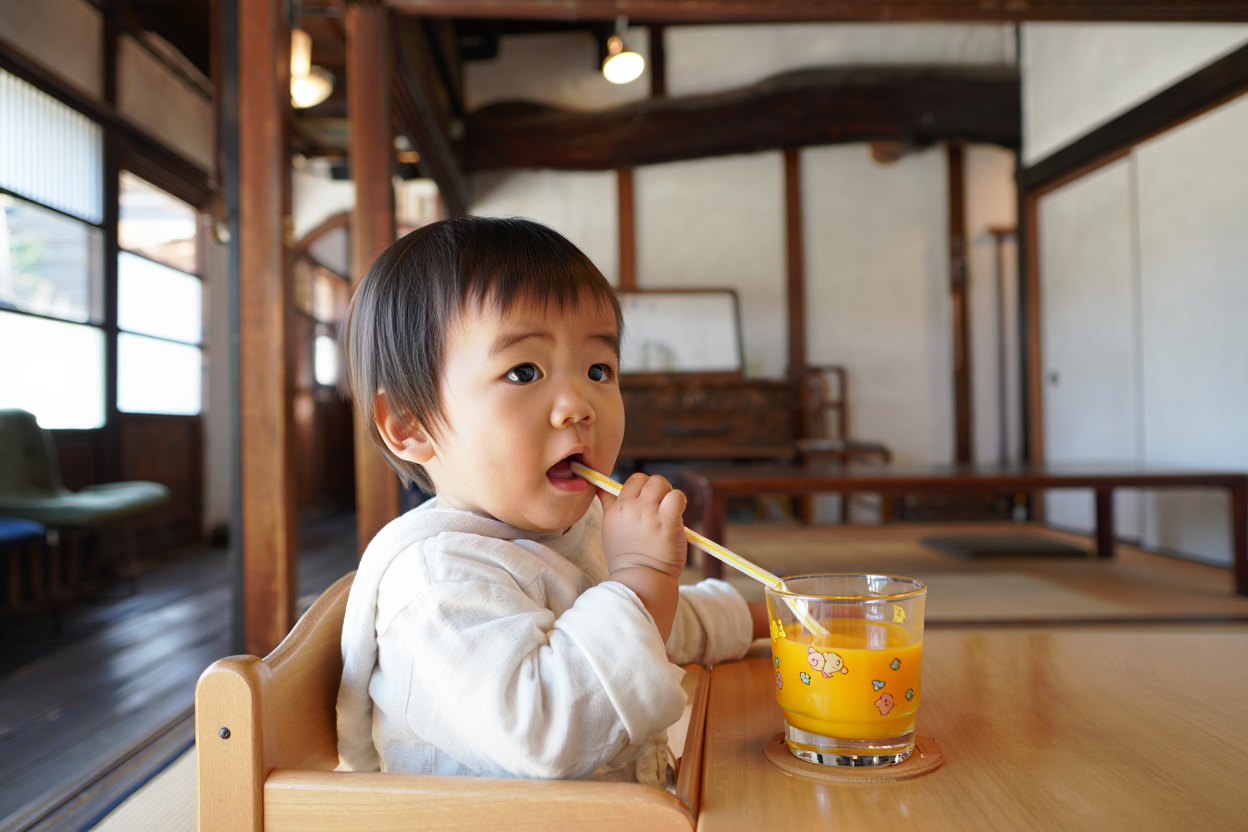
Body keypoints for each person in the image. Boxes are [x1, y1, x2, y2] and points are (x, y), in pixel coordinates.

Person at [335, 216, 767, 786]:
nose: (578, 404)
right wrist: (638, 579)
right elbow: (545, 734)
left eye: (598, 369)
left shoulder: (569, 532)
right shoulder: (437, 581)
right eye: (524, 370)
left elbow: (659, 625)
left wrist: (766, 617)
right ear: (410, 424)